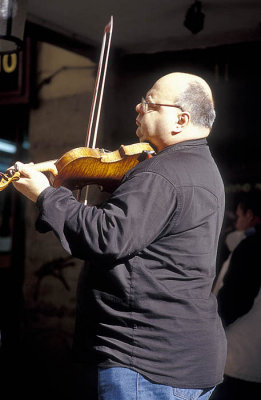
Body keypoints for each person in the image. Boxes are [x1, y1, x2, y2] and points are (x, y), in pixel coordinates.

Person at [11, 72, 226, 400]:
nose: (138, 108)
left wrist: (46, 196)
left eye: (150, 104)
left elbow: (106, 236)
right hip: (182, 358)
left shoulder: (162, 173)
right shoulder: (201, 167)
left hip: (145, 360)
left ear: (181, 119)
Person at [211, 190, 261, 399]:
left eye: (239, 215)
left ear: (250, 215)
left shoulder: (250, 246)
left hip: (237, 361)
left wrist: (211, 327)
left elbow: (233, 301)